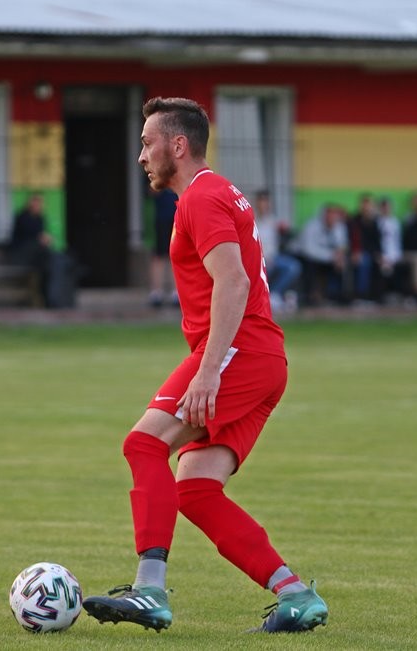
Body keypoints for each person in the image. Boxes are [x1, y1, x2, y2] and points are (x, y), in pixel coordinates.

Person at [81, 97, 328, 633]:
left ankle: (149, 590)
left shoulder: (201, 197)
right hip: (262, 357)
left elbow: (233, 281)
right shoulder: (218, 192)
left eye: (147, 143)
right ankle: (294, 594)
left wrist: (209, 370)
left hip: (241, 352)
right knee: (194, 489)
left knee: (144, 445)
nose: (141, 156)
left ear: (178, 145)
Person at [253, 190, 301, 311]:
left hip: (274, 257)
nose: (264, 205)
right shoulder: (252, 219)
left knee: (293, 266)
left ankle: (275, 294)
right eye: (261, 202)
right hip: (258, 259)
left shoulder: (272, 220)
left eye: (266, 202)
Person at [293, 204, 348, 306]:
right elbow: (308, 250)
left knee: (343, 264)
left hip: (326, 257)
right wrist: (331, 256)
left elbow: (341, 246)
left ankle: (338, 296)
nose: (332, 219)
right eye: (329, 215)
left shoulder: (339, 227)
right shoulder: (311, 226)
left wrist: (339, 257)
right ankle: (310, 296)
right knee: (311, 265)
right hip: (302, 255)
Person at [7, 192, 53, 305]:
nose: (38, 205)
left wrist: (45, 239)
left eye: (39, 203)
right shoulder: (22, 217)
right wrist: (41, 239)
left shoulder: (40, 218)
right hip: (21, 253)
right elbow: (26, 237)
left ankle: (42, 295)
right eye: (35, 202)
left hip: (35, 256)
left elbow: (41, 236)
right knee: (43, 255)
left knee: (43, 261)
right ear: (30, 203)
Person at [149, 188, 179, 308]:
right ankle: (157, 292)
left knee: (176, 255)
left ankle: (176, 292)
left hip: (178, 217)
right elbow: (152, 191)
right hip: (162, 218)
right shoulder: (159, 178)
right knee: (159, 255)